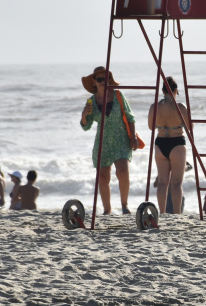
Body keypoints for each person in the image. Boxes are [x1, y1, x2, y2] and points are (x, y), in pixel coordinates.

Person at [81, 66, 137, 215]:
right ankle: (107, 210)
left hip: (121, 139)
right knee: (103, 176)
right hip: (103, 142)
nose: (103, 82)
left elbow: (130, 117)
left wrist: (134, 137)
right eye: (100, 79)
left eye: (106, 79)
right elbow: (86, 127)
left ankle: (125, 206)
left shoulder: (118, 95)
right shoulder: (91, 101)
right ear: (94, 82)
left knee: (123, 171)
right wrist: (83, 116)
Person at [149, 76, 191, 215]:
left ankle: (162, 213)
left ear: (162, 90)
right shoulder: (180, 107)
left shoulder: (154, 107)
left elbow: (151, 126)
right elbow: (190, 127)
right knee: (177, 183)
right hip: (177, 142)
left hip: (160, 143)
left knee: (162, 182)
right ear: (175, 90)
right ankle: (177, 214)